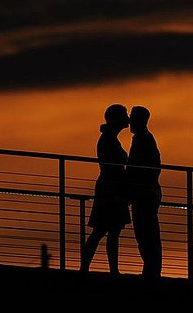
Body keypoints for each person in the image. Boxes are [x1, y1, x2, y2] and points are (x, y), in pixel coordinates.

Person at [80, 104, 131, 277]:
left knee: (107, 231)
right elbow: (112, 167)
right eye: (124, 116)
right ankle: (93, 269)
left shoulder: (109, 138)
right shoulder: (109, 139)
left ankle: (98, 269)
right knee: (103, 231)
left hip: (110, 187)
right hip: (111, 188)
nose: (128, 119)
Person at [127, 105, 163, 279]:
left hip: (143, 193)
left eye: (132, 118)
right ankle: (151, 269)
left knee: (145, 233)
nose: (129, 121)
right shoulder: (146, 138)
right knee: (147, 234)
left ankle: (151, 271)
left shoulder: (142, 139)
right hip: (147, 192)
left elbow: (138, 168)